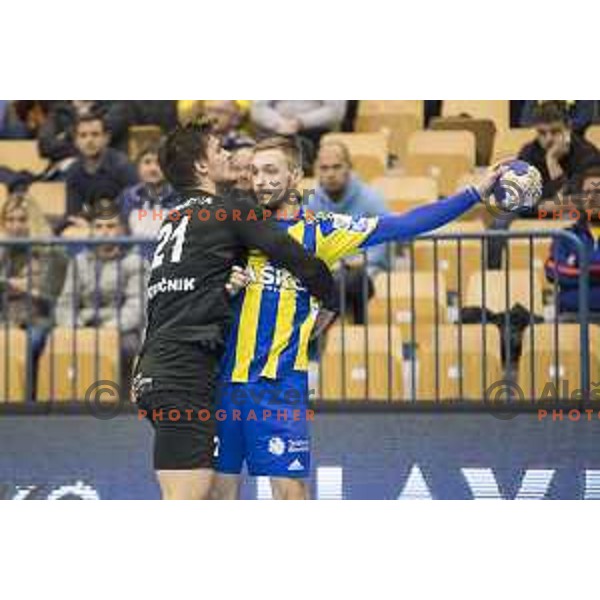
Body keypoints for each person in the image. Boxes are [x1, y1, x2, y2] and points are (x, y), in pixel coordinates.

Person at [212, 137, 506, 500]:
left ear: (295, 175)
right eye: (255, 172)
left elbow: (404, 224)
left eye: (271, 171)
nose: (260, 180)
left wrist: (474, 193)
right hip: (223, 381)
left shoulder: (321, 230)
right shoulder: (229, 227)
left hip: (279, 386)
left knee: (291, 493)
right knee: (217, 494)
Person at [132, 121, 338, 500]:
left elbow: (185, 292)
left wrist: (226, 289)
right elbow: (299, 260)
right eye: (218, 150)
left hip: (153, 370)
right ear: (201, 167)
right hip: (184, 374)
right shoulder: (231, 211)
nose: (229, 155)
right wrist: (333, 299)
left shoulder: (173, 219)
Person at [309, 140, 389, 323]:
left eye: (337, 167)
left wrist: (353, 262)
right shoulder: (311, 202)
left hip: (367, 271)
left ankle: (330, 330)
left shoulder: (370, 199)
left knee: (352, 279)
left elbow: (382, 245)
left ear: (349, 168)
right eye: (325, 168)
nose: (330, 174)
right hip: (329, 271)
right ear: (317, 171)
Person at [55, 212, 147, 367]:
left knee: (126, 347)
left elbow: (136, 307)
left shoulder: (135, 262)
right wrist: (76, 326)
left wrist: (108, 329)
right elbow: (66, 302)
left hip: (122, 330)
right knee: (57, 343)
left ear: (122, 231)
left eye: (111, 226)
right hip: (83, 326)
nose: (104, 231)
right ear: (91, 231)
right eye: (98, 226)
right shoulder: (79, 261)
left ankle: (120, 391)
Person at [0, 193, 68, 391]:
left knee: (32, 340)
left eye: (22, 219)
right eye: (9, 220)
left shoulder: (52, 251)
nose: (16, 226)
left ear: (34, 220)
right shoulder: (3, 248)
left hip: (39, 317)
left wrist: (18, 286)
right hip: (5, 315)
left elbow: (50, 293)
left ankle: (27, 399)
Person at [544, 164, 600, 321]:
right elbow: (552, 270)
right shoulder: (567, 236)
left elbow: (566, 272)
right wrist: (595, 270)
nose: (593, 198)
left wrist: (577, 265)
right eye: (588, 192)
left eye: (598, 192)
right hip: (571, 317)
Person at [64, 113, 138, 226]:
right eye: (83, 135)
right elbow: (74, 214)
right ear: (76, 141)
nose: (89, 140)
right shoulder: (73, 170)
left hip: (122, 227)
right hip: (91, 228)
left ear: (106, 138)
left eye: (95, 134)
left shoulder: (123, 166)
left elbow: (134, 208)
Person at [518, 101, 600, 201]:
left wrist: (552, 162)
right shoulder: (528, 153)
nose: (548, 139)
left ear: (568, 128)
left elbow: (577, 200)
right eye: (542, 133)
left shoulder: (588, 154)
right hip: (537, 216)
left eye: (555, 131)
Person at [250, 101, 347, 170]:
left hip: (316, 131)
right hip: (276, 129)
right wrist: (279, 122)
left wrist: (301, 121)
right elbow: (257, 109)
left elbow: (336, 111)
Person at [119, 144, 177, 241]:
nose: (153, 169)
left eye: (159, 163)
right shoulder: (127, 196)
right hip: (134, 253)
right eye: (147, 162)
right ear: (138, 167)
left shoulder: (181, 197)